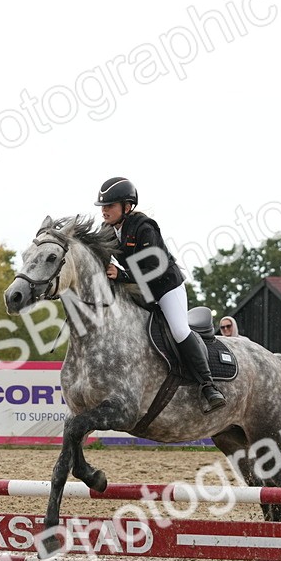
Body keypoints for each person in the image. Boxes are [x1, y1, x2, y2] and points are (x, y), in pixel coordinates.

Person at [95, 177, 224, 413]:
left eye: (110, 206)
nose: (104, 211)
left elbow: (154, 268)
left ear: (127, 206)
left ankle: (208, 385)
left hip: (165, 286)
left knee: (179, 329)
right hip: (139, 288)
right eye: (103, 206)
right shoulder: (107, 230)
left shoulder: (145, 228)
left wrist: (121, 276)